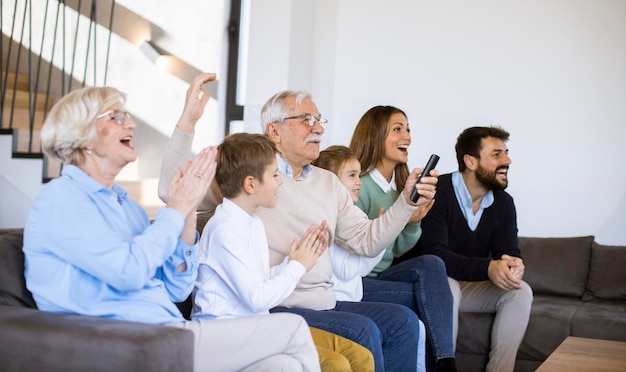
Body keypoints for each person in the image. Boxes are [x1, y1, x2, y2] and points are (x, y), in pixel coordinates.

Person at [22, 78, 322, 372]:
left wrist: (188, 211)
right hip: (124, 341)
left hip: (166, 331)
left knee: (282, 365)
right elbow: (128, 272)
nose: (130, 124)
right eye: (115, 117)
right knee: (292, 329)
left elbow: (176, 288)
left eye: (126, 115)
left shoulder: (128, 209)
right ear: (81, 136)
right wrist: (175, 209)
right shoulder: (60, 200)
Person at [159, 80, 440, 371]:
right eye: (307, 120)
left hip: (325, 302)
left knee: (403, 322)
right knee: (363, 330)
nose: (318, 128)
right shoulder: (250, 175)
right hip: (280, 303)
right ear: (274, 131)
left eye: (319, 120)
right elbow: (174, 190)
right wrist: (188, 122)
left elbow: (366, 240)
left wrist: (406, 203)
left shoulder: (328, 183)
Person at [192, 132, 374, 371]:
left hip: (257, 326)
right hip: (228, 336)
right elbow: (257, 298)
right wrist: (296, 267)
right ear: (250, 184)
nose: (280, 182)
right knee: (335, 364)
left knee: (359, 356)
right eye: (275, 175)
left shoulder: (252, 222)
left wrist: (298, 260)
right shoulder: (225, 230)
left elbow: (260, 280)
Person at [407, 126, 533, 372]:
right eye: (497, 154)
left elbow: (508, 251)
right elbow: (435, 256)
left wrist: (513, 265)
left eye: (506, 153)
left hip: (469, 285)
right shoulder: (438, 192)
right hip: (433, 285)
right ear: (470, 161)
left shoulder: (504, 203)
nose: (507, 160)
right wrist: (488, 267)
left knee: (520, 292)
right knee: (448, 286)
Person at [349, 106, 457, 372]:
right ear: (375, 136)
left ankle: (446, 361)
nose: (407, 135)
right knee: (430, 298)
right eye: (397, 129)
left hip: (380, 275)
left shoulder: (397, 189)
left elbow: (397, 248)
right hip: (356, 279)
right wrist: (386, 224)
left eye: (407, 128)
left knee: (431, 263)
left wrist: (412, 221)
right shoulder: (358, 185)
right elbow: (356, 248)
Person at [311, 145, 426, 372]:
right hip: (337, 304)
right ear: (330, 182)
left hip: (351, 300)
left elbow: (361, 263)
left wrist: (382, 235)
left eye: (359, 175)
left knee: (417, 326)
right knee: (397, 323)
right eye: (352, 175)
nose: (359, 182)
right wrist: (383, 240)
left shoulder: (354, 215)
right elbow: (347, 270)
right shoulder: (326, 218)